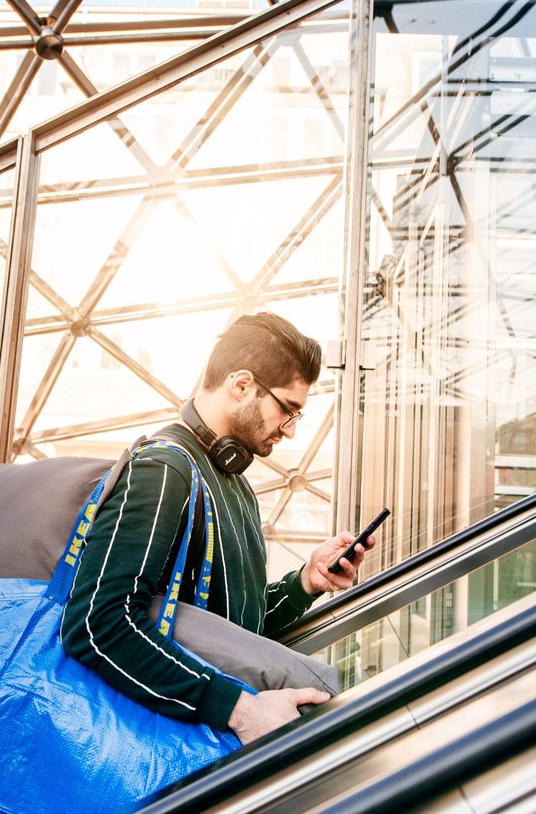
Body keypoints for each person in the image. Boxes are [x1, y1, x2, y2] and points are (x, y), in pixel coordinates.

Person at [60, 312, 375, 745]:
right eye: (288, 409)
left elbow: (235, 627)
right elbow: (99, 624)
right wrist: (241, 710)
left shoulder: (234, 483)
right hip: (161, 749)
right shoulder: (164, 470)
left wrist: (306, 581)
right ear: (241, 385)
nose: (290, 431)